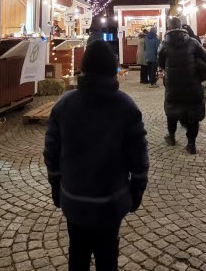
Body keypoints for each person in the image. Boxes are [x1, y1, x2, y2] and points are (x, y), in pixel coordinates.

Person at [44, 41, 149, 271]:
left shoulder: (64, 105)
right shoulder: (126, 106)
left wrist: (56, 185)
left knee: (77, 253)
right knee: (107, 255)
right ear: (113, 69)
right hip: (111, 202)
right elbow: (139, 155)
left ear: (85, 66)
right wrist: (137, 189)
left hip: (74, 199)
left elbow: (51, 150)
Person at [158, 17, 206, 154]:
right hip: (192, 83)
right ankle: (191, 144)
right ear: (181, 26)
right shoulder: (193, 42)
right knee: (193, 111)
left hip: (173, 84)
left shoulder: (164, 44)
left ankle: (171, 137)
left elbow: (161, 63)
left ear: (169, 28)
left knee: (172, 109)